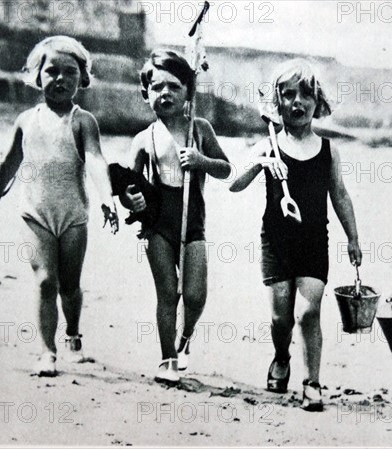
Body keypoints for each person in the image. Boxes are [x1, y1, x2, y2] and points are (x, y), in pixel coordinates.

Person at [230, 60, 362, 411]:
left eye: (306, 94)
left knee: (308, 313)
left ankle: (312, 383)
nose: (297, 102)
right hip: (276, 242)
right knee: (281, 319)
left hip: (314, 243)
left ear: (318, 102)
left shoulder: (328, 150)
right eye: (288, 95)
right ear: (277, 103)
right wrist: (260, 163)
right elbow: (233, 183)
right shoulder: (267, 145)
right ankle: (281, 357)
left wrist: (353, 238)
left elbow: (341, 196)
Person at [0, 36, 119, 377]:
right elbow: (9, 161)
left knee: (70, 285)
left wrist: (107, 198)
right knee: (46, 281)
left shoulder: (82, 120)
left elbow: (95, 160)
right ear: (37, 75)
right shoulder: (26, 120)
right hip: (36, 214)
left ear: (82, 79)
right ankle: (47, 351)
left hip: (73, 216)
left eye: (70, 73)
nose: (61, 79)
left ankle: (73, 333)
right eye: (52, 71)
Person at [122, 49, 231, 384]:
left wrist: (201, 161)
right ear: (146, 94)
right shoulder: (143, 140)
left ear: (189, 92)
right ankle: (167, 357)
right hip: (156, 226)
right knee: (167, 293)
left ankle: (185, 338)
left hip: (192, 223)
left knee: (195, 295)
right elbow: (128, 186)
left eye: (173, 86)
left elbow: (225, 168)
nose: (164, 93)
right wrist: (131, 198)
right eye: (156, 88)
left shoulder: (199, 129)